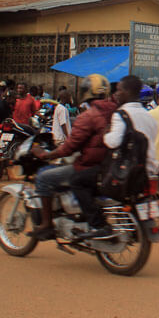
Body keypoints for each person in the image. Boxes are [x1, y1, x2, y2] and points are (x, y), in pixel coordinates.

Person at [27, 74, 116, 241]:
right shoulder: (115, 111)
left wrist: (47, 155)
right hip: (108, 165)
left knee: (44, 178)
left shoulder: (88, 116)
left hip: (89, 165)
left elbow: (70, 147)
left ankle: (47, 225)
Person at [71, 74, 159, 237]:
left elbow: (112, 142)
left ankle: (96, 224)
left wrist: (106, 133)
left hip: (125, 172)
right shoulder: (149, 116)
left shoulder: (121, 114)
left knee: (77, 181)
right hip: (148, 170)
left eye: (119, 90)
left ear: (127, 91)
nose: (116, 94)